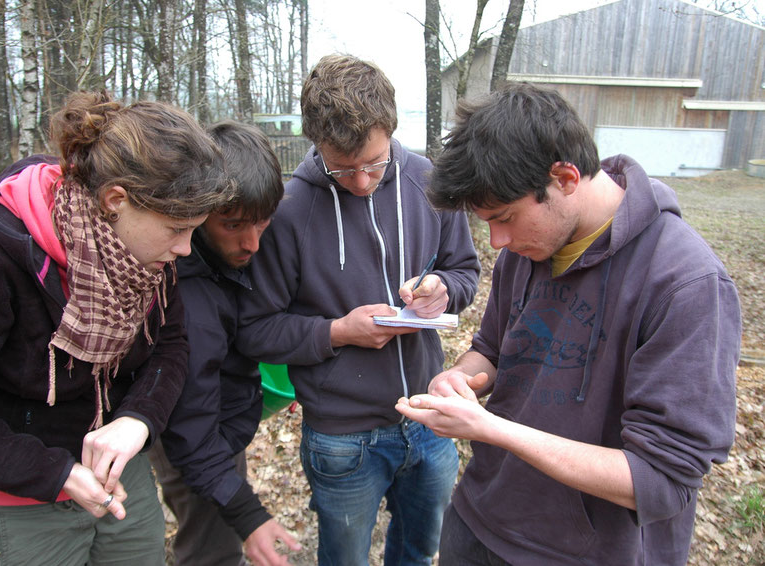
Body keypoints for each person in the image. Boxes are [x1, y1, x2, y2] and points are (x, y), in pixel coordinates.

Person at [395, 83, 742, 566]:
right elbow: (492, 349)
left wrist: (491, 428)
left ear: (565, 177)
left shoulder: (685, 283)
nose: (496, 242)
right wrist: (460, 376)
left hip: (585, 552)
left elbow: (662, 480)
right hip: (478, 521)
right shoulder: (530, 246)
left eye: (505, 218)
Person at [0, 91, 233, 565]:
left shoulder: (146, 258)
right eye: (176, 229)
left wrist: (137, 419)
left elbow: (169, 345)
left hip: (121, 483)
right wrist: (54, 472)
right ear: (115, 200)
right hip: (19, 507)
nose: (186, 250)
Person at [236, 54, 482, 566]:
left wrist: (443, 287)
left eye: (374, 163)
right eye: (342, 169)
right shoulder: (289, 211)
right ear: (315, 144)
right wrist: (337, 332)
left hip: (431, 418)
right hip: (342, 437)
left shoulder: (427, 182)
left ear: (391, 130)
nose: (362, 182)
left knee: (418, 553)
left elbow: (465, 272)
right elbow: (255, 330)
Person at [148, 120, 300, 566]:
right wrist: (247, 514)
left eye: (262, 222)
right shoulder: (188, 296)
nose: (252, 243)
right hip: (195, 444)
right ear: (197, 210)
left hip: (220, 426)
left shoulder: (224, 255)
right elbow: (190, 429)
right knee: (212, 551)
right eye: (233, 225)